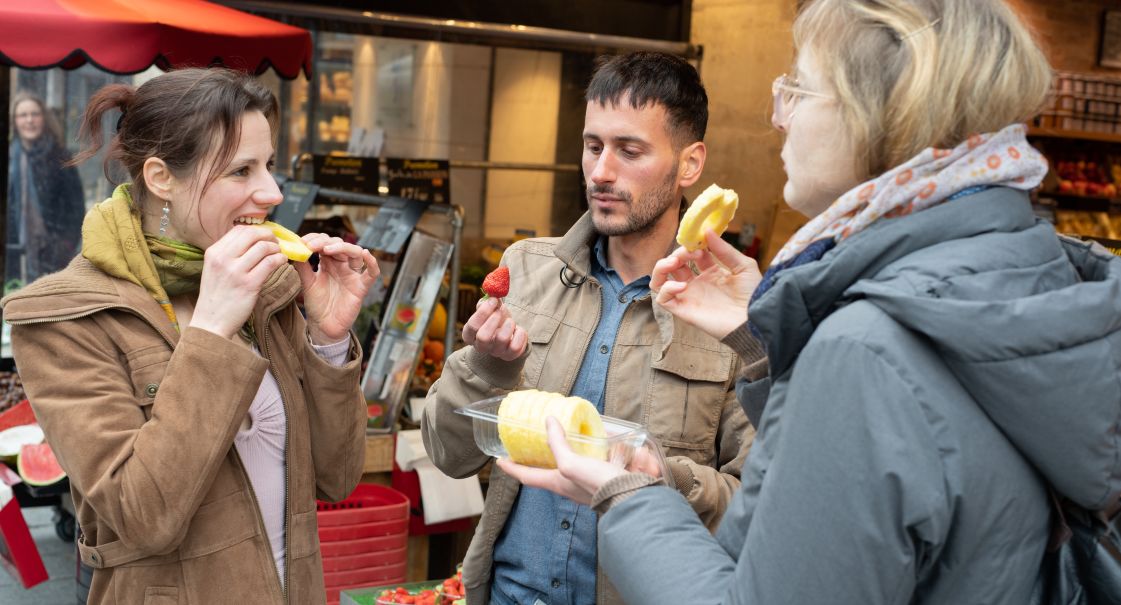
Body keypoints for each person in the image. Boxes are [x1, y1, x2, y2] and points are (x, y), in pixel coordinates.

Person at [500, 1, 1121, 603]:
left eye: (797, 88)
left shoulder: (862, 348)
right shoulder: (1021, 274)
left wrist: (625, 493)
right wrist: (763, 340)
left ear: (875, 113)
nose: (778, 117)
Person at [1, 68, 378, 605]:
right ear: (160, 178)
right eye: (241, 170)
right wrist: (211, 329)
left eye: (268, 165)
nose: (270, 191)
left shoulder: (269, 290)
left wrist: (329, 339)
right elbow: (143, 516)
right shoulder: (65, 318)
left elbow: (336, 478)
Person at [422, 52, 754, 605]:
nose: (601, 171)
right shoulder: (526, 268)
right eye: (593, 146)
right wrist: (487, 367)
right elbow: (447, 451)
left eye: (630, 150)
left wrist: (659, 479)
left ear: (690, 164)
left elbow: (759, 508)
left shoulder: (733, 310)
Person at [6, 91, 85, 287]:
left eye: (35, 114)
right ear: (14, 121)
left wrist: (64, 245)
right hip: (14, 252)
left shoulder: (59, 156)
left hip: (54, 254)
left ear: (44, 118)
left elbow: (76, 206)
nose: (29, 120)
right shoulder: (10, 157)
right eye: (23, 115)